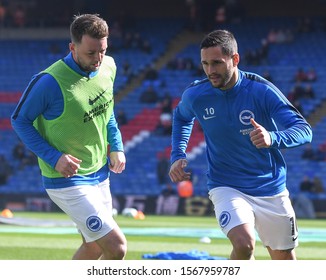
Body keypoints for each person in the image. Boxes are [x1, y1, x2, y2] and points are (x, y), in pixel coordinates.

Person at [169, 29, 313, 260]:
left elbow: (304, 131)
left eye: (217, 63)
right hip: (226, 185)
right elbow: (182, 116)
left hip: (270, 187)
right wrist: (177, 154)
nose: (210, 71)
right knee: (244, 244)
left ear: (235, 59)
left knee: (284, 259)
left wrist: (273, 138)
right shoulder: (197, 94)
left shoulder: (262, 91)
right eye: (205, 64)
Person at [11, 14, 127, 260]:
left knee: (94, 246)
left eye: (102, 51)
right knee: (116, 247)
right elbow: (19, 120)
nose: (97, 60)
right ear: (72, 48)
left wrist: (116, 145)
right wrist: (54, 158)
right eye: (90, 53)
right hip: (67, 179)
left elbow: (108, 110)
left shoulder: (110, 66)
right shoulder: (48, 82)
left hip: (100, 173)